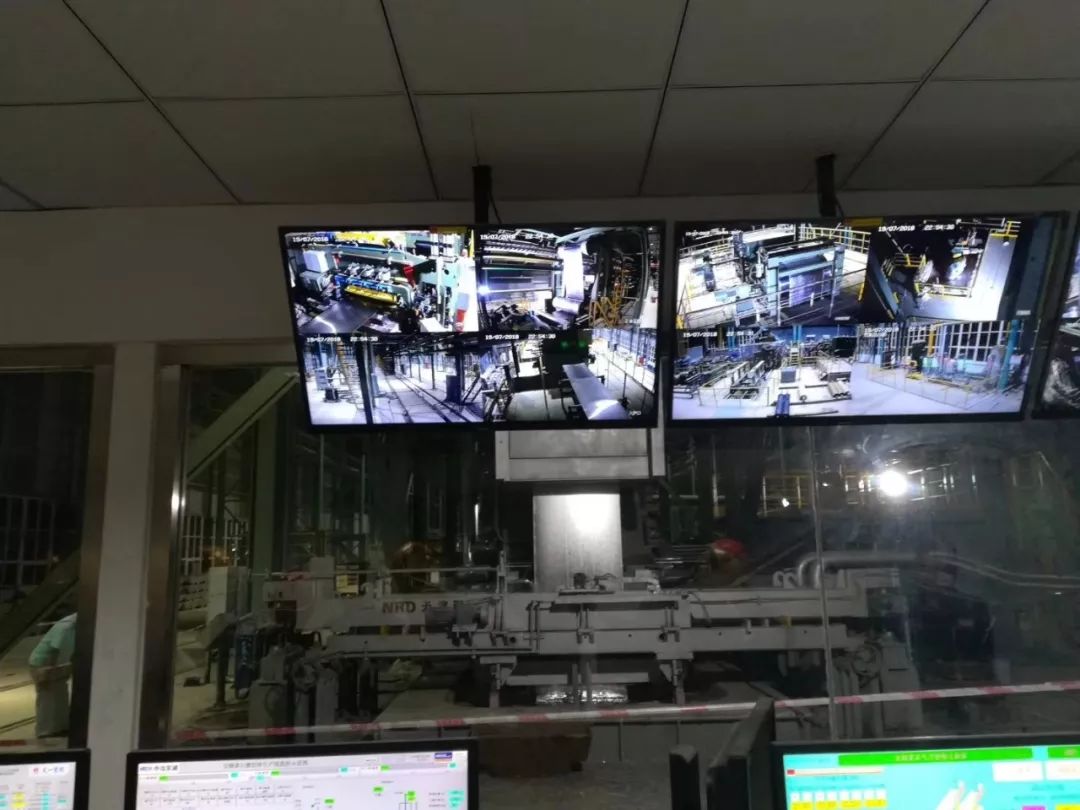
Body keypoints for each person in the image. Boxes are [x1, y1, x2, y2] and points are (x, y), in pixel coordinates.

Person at [28, 613, 76, 738]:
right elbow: (54, 652)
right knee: (47, 698)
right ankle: (45, 731)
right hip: (44, 664)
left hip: (60, 664)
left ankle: (60, 728)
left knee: (60, 697)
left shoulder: (76, 626)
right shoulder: (66, 627)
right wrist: (47, 673)